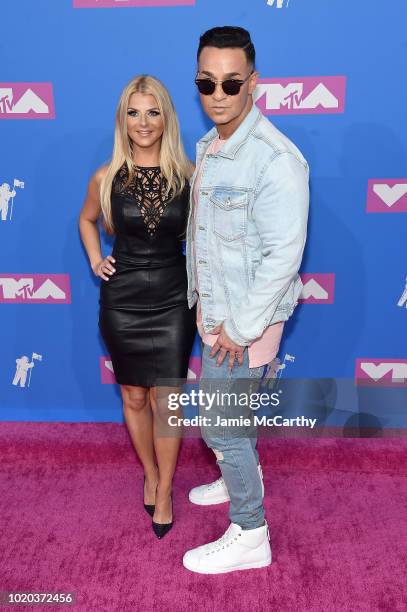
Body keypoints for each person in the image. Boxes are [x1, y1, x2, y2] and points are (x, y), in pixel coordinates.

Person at [183, 26, 309, 573]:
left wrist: (238, 327)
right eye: (206, 82)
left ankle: (251, 531)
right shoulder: (210, 146)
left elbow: (284, 257)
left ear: (253, 83)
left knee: (220, 424)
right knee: (230, 419)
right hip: (217, 311)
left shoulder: (275, 158)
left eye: (231, 83)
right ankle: (236, 473)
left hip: (243, 322)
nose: (217, 93)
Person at [79, 75, 196, 539]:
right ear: (122, 119)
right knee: (133, 396)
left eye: (152, 111)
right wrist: (94, 258)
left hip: (172, 296)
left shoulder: (189, 174)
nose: (143, 122)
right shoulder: (105, 177)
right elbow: (87, 220)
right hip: (122, 298)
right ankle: (149, 470)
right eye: (133, 112)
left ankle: (165, 487)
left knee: (167, 399)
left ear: (166, 116)